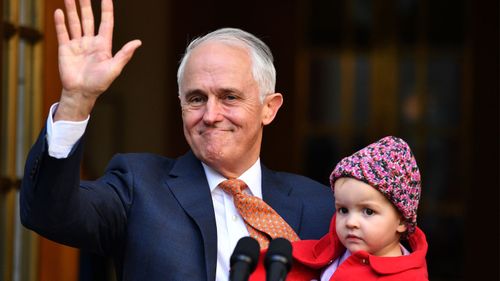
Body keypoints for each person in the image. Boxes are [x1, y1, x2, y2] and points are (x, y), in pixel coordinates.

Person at [19, 0, 334, 280]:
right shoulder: (138, 187)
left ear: (269, 108)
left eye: (230, 97)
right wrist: (77, 99)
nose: (211, 114)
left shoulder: (323, 206)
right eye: (196, 99)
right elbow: (50, 214)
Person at [251, 136, 429, 280]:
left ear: (402, 220)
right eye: (343, 210)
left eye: (368, 211)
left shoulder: (409, 276)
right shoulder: (329, 253)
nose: (351, 222)